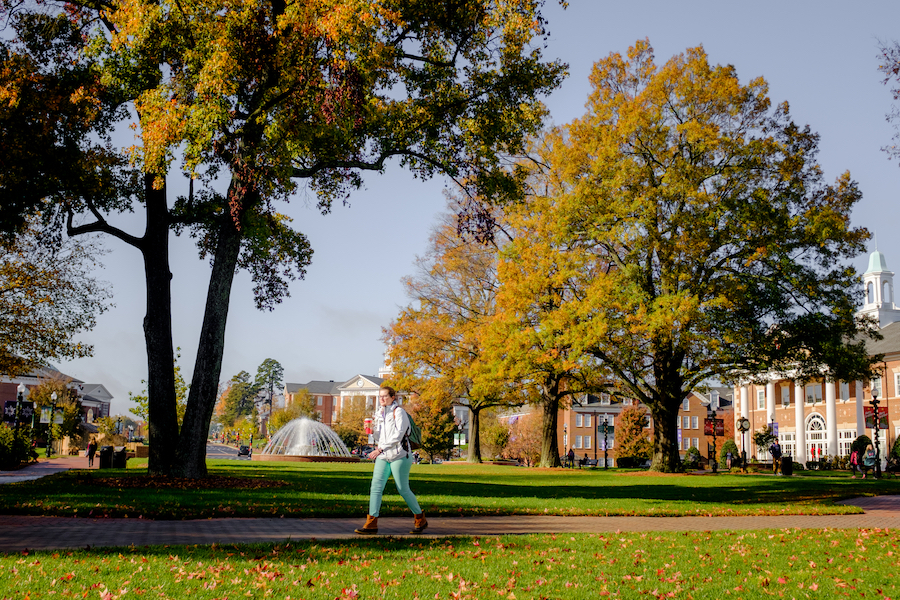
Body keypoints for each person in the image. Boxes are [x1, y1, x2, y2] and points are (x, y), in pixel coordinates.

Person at [355, 385, 426, 535]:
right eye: (380, 396)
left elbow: (399, 435)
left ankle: (420, 517)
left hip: (400, 455)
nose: (382, 399)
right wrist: (371, 431)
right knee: (375, 487)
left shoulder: (399, 412)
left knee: (403, 489)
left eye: (385, 396)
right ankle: (371, 522)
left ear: (393, 397)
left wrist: (380, 449)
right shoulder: (379, 413)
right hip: (383, 456)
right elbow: (379, 437)